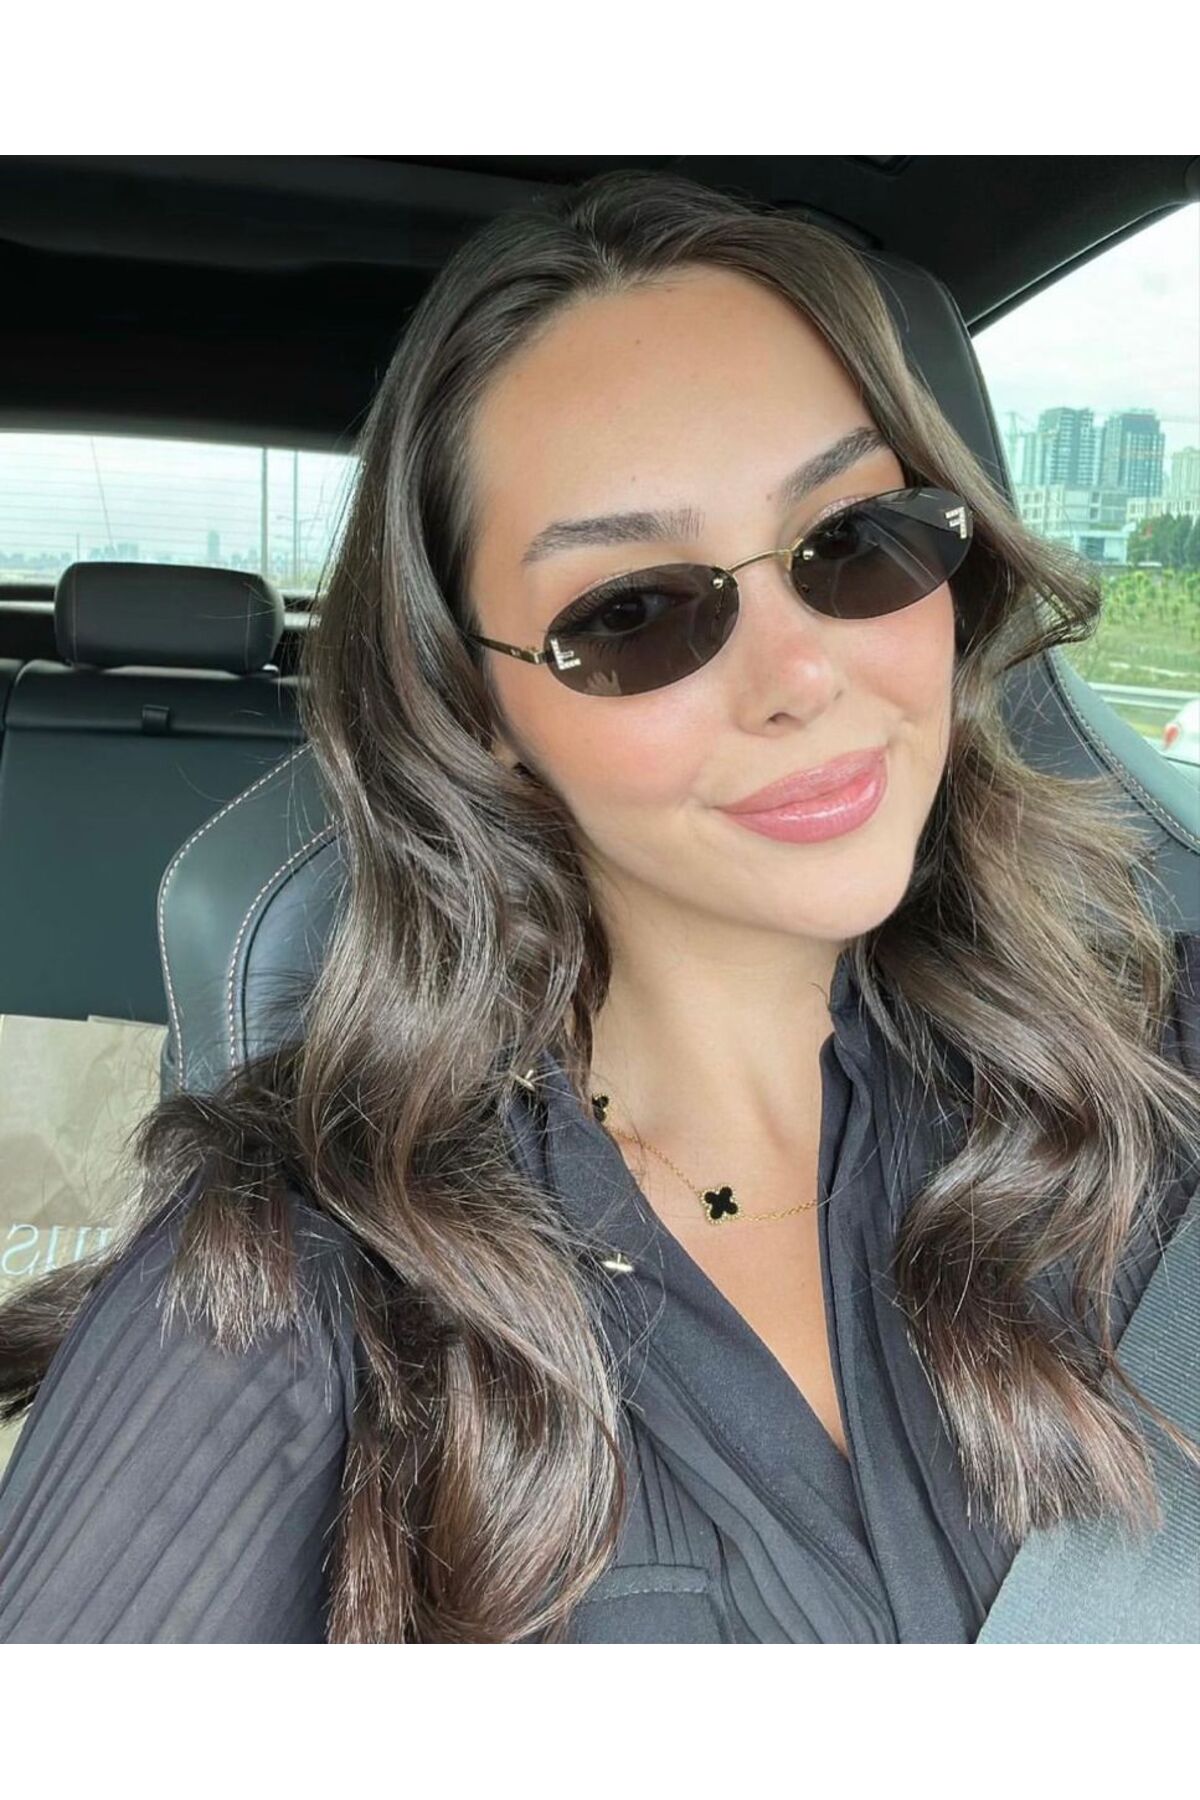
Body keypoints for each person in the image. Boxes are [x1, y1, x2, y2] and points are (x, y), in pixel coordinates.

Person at [0, 169, 1197, 1644]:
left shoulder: (1158, 1068)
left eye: (856, 540)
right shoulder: (293, 1285)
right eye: (633, 613)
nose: (802, 676)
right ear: (476, 707)